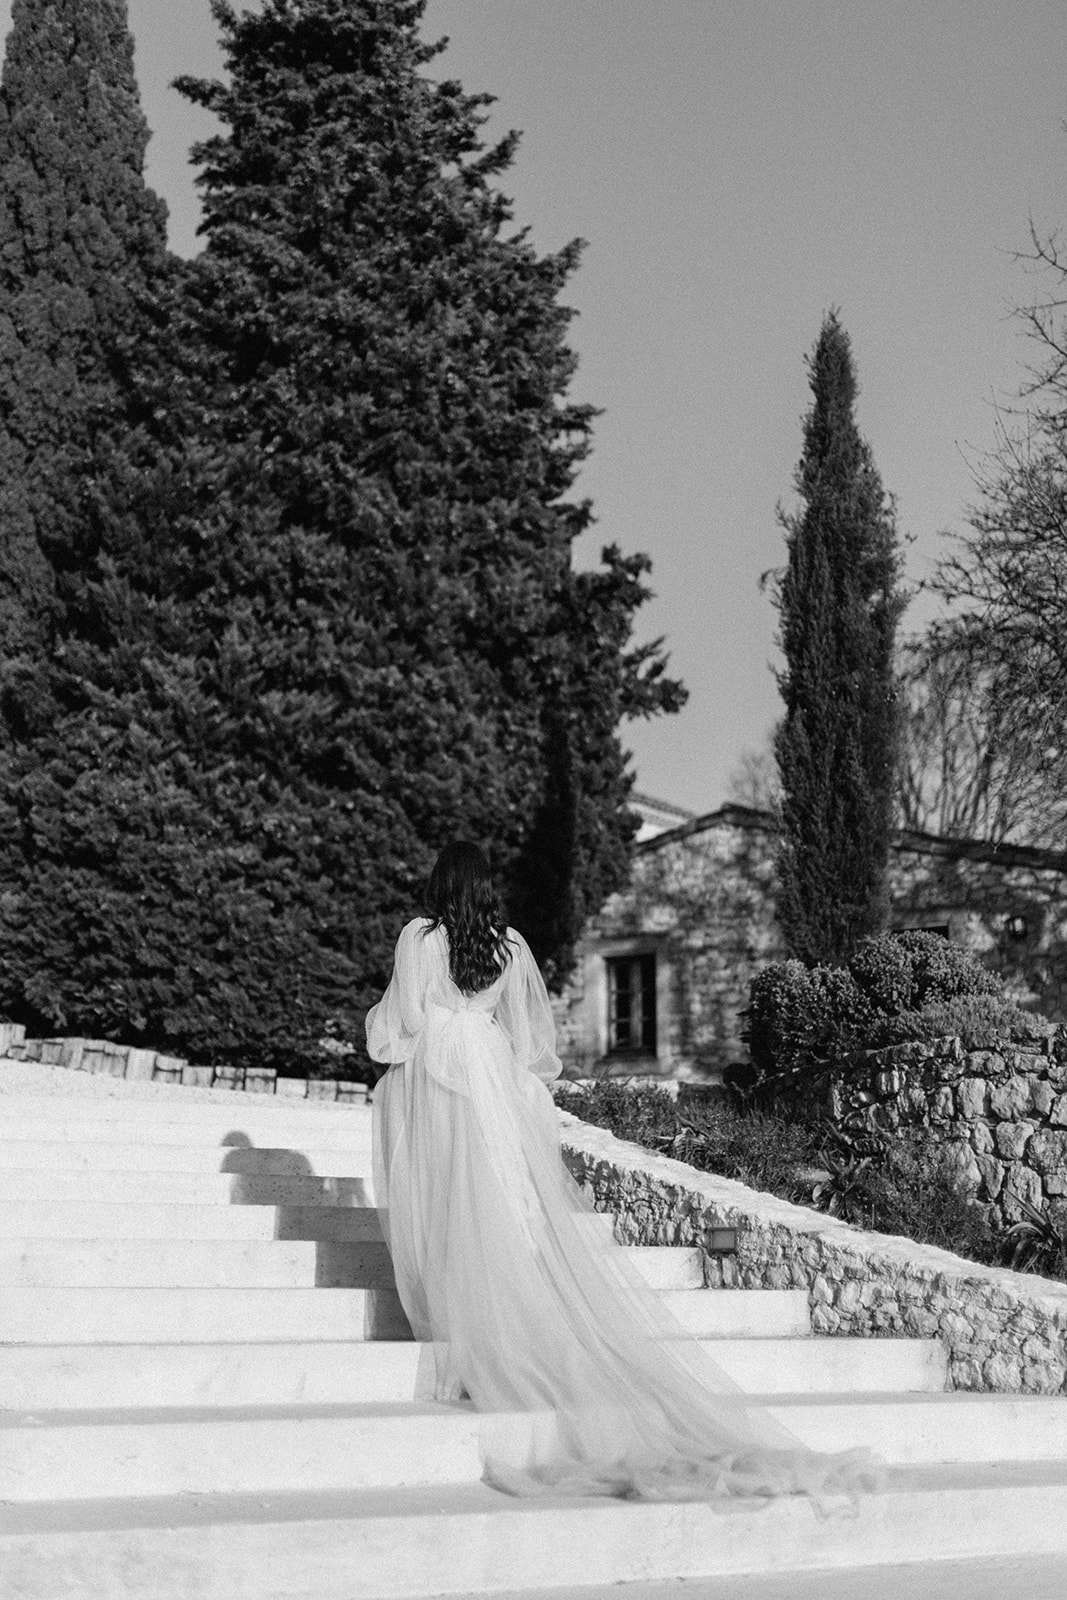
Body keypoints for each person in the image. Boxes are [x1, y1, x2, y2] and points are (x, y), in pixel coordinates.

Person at [366, 841, 880, 1504]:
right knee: (499, 1200)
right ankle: (501, 1329)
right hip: (489, 1070)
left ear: (439, 884)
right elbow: (530, 1042)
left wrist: (394, 1035)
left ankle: (465, 1336)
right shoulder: (510, 946)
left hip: (440, 1069)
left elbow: (401, 1021)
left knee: (450, 1199)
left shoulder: (422, 937)